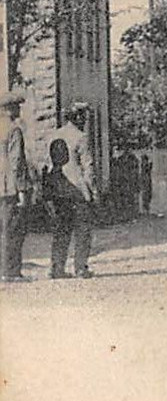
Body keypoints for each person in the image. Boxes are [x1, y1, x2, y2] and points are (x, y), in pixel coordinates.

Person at [43, 102, 98, 279]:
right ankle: (80, 267)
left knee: (61, 230)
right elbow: (87, 168)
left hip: (58, 190)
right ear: (80, 117)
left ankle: (56, 267)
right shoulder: (82, 137)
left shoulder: (54, 135)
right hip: (78, 191)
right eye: (85, 117)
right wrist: (93, 192)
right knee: (83, 229)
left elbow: (47, 165)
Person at [0, 90, 30, 283]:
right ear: (8, 109)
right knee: (12, 230)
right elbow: (16, 162)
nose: (19, 110)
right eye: (16, 106)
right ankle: (11, 271)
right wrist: (21, 189)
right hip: (8, 187)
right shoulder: (13, 130)